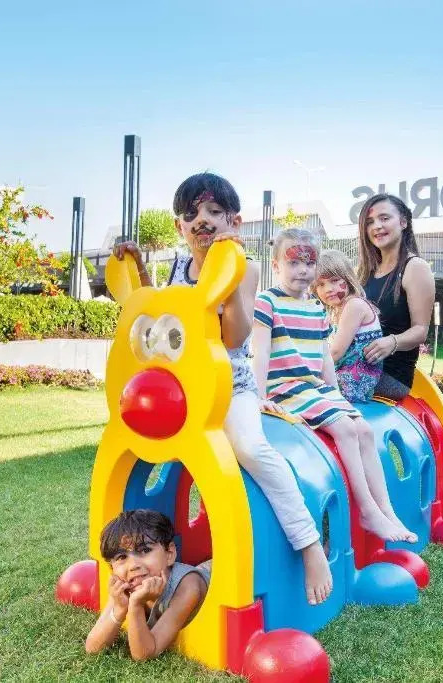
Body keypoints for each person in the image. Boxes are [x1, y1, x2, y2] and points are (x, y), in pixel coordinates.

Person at [112, 173, 332, 606]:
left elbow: (235, 336)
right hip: (180, 391)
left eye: (214, 211)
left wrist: (227, 279)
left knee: (250, 448)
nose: (203, 220)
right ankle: (137, 563)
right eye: (191, 213)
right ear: (179, 226)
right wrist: (138, 269)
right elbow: (159, 319)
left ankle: (309, 546)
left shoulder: (244, 267)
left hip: (230, 386)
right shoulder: (178, 268)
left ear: (234, 221)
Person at [252, 229, 416, 543]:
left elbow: (325, 356)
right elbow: (260, 352)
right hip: (285, 387)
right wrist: (259, 397)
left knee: (363, 429)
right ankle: (367, 510)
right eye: (294, 263)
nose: (303, 270)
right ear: (275, 266)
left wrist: (336, 397)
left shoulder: (316, 308)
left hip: (314, 388)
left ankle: (386, 510)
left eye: (309, 263)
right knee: (345, 429)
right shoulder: (267, 301)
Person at [85, 509, 210, 659]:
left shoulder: (188, 587)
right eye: (122, 557)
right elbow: (92, 648)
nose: (133, 565)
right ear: (112, 568)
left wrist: (136, 605)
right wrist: (119, 608)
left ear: (169, 554)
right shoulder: (125, 586)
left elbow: (144, 654)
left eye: (144, 550)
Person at [357, 194, 436, 401]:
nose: (376, 226)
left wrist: (392, 342)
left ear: (403, 222)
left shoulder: (415, 267)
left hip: (390, 377)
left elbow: (421, 330)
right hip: (358, 366)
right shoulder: (366, 272)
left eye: (384, 218)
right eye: (369, 222)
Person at [312, 249, 383, 404]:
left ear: (348, 279)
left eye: (334, 280)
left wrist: (311, 372)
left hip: (353, 380)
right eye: (321, 284)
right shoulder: (337, 310)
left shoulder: (354, 305)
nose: (328, 289)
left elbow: (335, 352)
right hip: (346, 375)